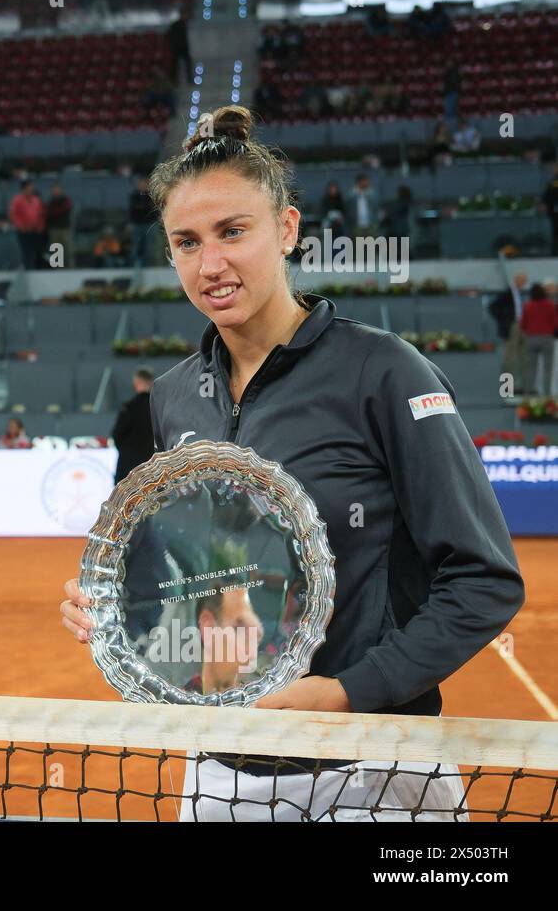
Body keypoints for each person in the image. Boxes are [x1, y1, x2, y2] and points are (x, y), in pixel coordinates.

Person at [59, 105, 524, 822]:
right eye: (186, 242)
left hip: (373, 768)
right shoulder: (178, 397)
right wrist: (124, 607)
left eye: (233, 232)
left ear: (287, 229)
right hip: (219, 771)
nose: (210, 264)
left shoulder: (386, 372)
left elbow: (483, 579)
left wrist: (349, 690)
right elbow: (201, 574)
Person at [489, 272, 530, 393]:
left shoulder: (521, 293)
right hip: (512, 326)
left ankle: (523, 387)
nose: (524, 284)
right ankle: (507, 389)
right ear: (516, 280)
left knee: (524, 358)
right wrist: (504, 320)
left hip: (523, 327)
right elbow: (493, 307)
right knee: (509, 359)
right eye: (522, 280)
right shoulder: (507, 293)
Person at [110, 368, 153, 482]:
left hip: (129, 467)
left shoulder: (129, 407)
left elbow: (117, 434)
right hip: (152, 468)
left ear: (136, 382)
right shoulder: (157, 407)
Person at [520, 283, 557, 396]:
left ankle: (527, 394)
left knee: (530, 368)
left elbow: (523, 324)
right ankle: (546, 395)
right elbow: (555, 323)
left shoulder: (527, 305)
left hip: (531, 338)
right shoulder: (550, 305)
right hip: (547, 338)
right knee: (547, 369)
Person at [9, 180, 46, 271]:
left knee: (38, 252)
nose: (31, 190)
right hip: (24, 231)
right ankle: (28, 270)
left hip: (36, 231)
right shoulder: (17, 200)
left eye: (32, 189)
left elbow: (41, 214)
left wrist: (41, 226)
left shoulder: (36, 200)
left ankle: (38, 271)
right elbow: (13, 214)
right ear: (23, 189)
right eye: (29, 189)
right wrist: (21, 226)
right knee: (27, 253)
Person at [128, 177, 155, 269]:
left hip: (149, 224)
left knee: (148, 245)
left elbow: (152, 210)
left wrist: (142, 207)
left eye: (145, 184)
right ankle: (132, 264)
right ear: (138, 185)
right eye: (141, 184)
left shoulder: (151, 196)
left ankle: (147, 264)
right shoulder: (134, 196)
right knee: (136, 245)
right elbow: (132, 210)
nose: (143, 186)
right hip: (137, 224)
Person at [46, 184, 73, 265]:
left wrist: (54, 212)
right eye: (54, 191)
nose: (56, 192)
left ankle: (71, 269)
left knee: (68, 250)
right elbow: (48, 213)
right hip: (54, 230)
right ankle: (57, 270)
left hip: (65, 229)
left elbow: (65, 208)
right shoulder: (50, 202)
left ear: (61, 191)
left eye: (57, 191)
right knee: (56, 252)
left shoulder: (66, 200)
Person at [542, 162, 558, 256]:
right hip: (555, 214)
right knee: (555, 234)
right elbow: (548, 195)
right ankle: (555, 253)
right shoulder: (553, 183)